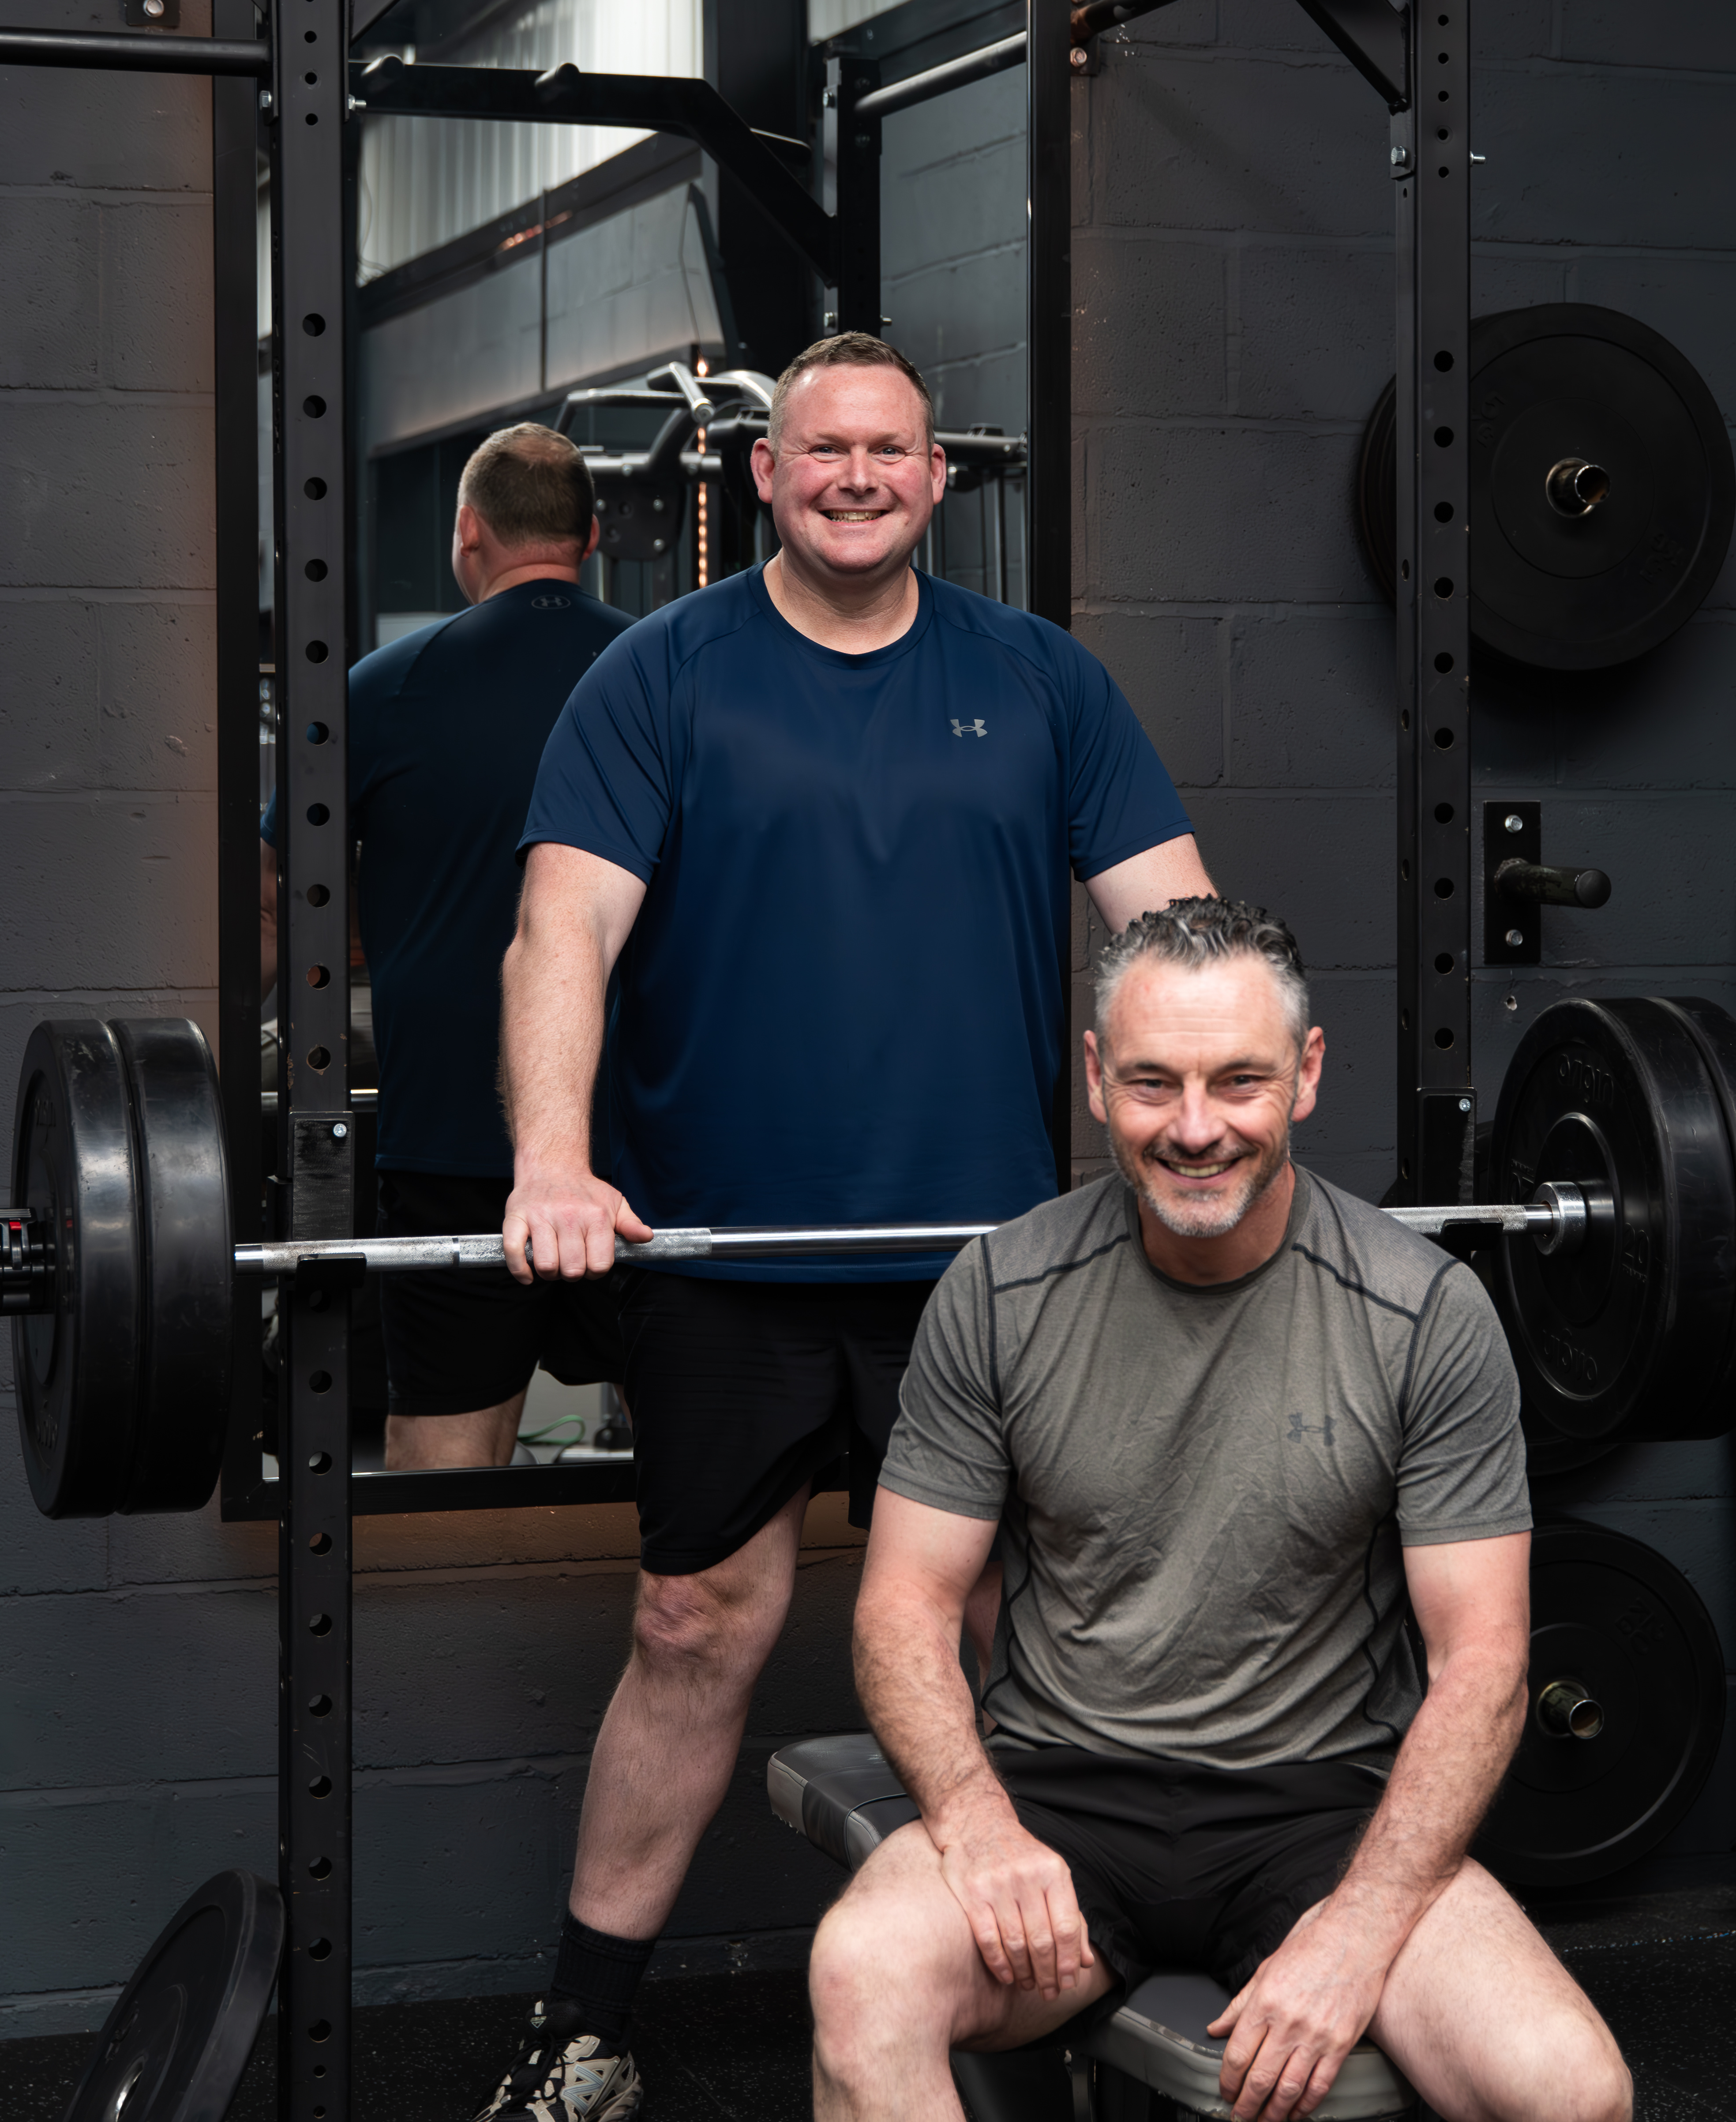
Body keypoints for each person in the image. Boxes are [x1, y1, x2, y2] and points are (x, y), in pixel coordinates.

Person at [470, 333, 1218, 2122]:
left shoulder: (1043, 683)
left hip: (982, 1275)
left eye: (889, 450)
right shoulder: (660, 677)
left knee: (999, 1637)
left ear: (936, 476)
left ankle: (1015, 2005)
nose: (859, 477)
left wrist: (1219, 1115)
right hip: (724, 1262)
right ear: (766, 478)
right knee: (693, 1616)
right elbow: (554, 934)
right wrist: (553, 1162)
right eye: (824, 452)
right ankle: (581, 2029)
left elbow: (1179, 930)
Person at [807, 900, 1635, 2122]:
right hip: (1059, 1795)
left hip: (1322, 1812)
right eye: (1151, 1082)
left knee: (1571, 2093)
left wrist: (1358, 1925)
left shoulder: (1420, 1315)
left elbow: (1484, 1665)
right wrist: (977, 1826)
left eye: (1235, 1080)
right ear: (1095, 1077)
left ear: (1302, 1074)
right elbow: (901, 1611)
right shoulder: (1000, 1292)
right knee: (862, 1974)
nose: (1194, 1128)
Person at [260, 421, 632, 1471]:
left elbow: (278, 899)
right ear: (592, 534)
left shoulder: (380, 687)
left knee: (444, 1474)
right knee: (710, 1464)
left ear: (467, 530)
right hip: (650, 1147)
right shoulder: (672, 671)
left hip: (455, 1146)